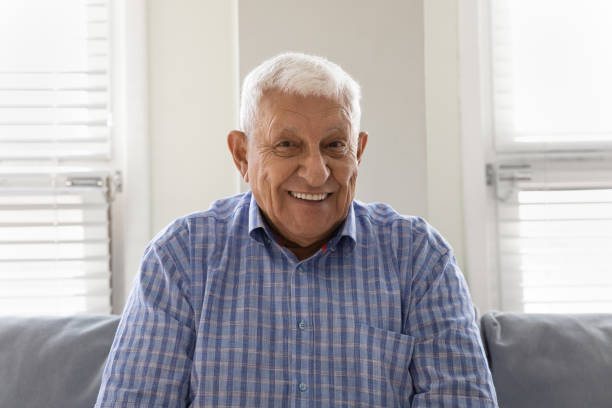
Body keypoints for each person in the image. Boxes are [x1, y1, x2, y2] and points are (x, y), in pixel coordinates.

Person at [95, 52, 498, 407]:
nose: (316, 172)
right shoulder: (179, 259)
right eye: (287, 145)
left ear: (358, 151)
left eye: (334, 145)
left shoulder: (420, 259)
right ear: (241, 155)